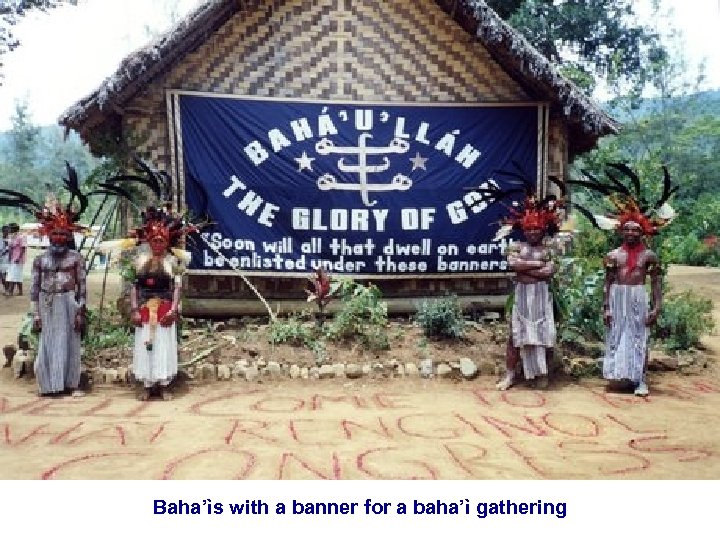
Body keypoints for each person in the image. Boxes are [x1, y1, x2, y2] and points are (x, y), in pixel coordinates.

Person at [495, 196, 563, 391]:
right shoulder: (517, 246)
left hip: (542, 296)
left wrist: (524, 271)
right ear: (523, 230)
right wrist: (536, 265)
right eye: (529, 229)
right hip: (522, 295)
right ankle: (510, 374)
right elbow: (513, 264)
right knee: (515, 336)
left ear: (543, 229)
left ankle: (543, 375)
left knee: (545, 335)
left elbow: (549, 272)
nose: (533, 232)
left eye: (536, 229)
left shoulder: (550, 248)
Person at [126, 206, 193, 401]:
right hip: (145, 309)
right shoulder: (140, 262)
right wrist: (134, 310)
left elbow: (177, 288)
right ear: (149, 241)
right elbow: (134, 287)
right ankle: (147, 384)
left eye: (161, 240)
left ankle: (164, 385)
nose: (157, 244)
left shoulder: (172, 262)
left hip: (164, 309)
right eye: (154, 240)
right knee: (146, 344)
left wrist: (173, 310)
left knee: (163, 345)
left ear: (166, 242)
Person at [29, 210, 87, 398]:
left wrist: (80, 311)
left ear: (69, 236)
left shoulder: (75, 258)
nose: (59, 238)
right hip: (47, 303)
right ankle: (48, 386)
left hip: (69, 302)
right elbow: (34, 289)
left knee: (70, 343)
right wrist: (35, 313)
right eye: (55, 233)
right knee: (48, 342)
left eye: (63, 234)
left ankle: (70, 384)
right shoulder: (40, 259)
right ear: (48, 235)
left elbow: (82, 287)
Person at [601, 218, 662, 397]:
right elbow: (607, 283)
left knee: (640, 337)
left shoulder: (649, 256)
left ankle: (641, 380)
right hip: (617, 298)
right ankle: (619, 375)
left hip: (638, 296)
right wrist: (606, 307)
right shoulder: (613, 255)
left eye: (635, 230)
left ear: (642, 232)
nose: (631, 233)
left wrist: (657, 306)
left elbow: (656, 283)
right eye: (627, 229)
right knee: (617, 335)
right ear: (621, 232)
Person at [5, 223, 27, 296]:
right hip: (12, 258)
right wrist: (9, 257)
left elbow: (23, 248)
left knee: (13, 275)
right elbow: (10, 248)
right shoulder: (11, 237)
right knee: (17, 275)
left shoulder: (21, 237)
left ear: (15, 229)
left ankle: (10, 291)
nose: (9, 229)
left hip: (18, 259)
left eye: (10, 228)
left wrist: (18, 258)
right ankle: (20, 291)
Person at [0, 224, 9, 290]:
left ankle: (7, 289)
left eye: (7, 230)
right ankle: (6, 289)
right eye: (5, 230)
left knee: (4, 275)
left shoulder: (10, 240)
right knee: (2, 275)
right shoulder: (1, 239)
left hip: (6, 260)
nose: (6, 232)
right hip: (2, 259)